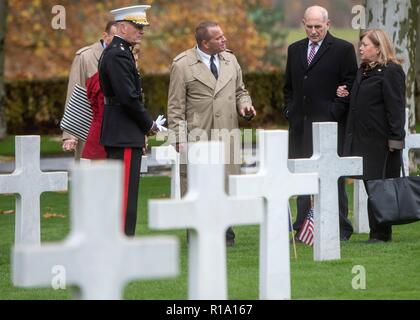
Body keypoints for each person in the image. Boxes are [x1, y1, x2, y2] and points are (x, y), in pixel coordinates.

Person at [167, 21, 256, 246]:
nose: (224, 40)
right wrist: (177, 138)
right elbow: (175, 106)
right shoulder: (182, 64)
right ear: (205, 43)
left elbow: (240, 91)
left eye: (224, 36)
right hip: (198, 137)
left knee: (225, 184)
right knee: (197, 186)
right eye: (219, 38)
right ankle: (197, 233)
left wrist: (245, 105)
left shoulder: (231, 59)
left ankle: (226, 233)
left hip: (227, 135)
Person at [282, 6, 358, 241]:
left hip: (329, 126)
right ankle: (304, 228)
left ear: (328, 24)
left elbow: (350, 85)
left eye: (318, 26)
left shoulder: (343, 49)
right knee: (303, 178)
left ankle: (340, 227)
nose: (313, 31)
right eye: (309, 26)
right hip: (300, 126)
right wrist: (289, 111)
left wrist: (333, 112)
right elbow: (289, 87)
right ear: (303, 23)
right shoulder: (294, 49)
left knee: (331, 177)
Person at [99, 5, 166, 236]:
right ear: (123, 27)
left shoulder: (120, 50)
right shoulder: (118, 53)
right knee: (125, 194)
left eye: (143, 27)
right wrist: (149, 124)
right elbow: (128, 97)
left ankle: (119, 239)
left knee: (123, 192)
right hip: (124, 132)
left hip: (122, 130)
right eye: (138, 26)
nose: (142, 31)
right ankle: (121, 242)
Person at [338, 29, 406, 243]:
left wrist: (396, 139)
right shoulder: (364, 71)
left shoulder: (391, 71)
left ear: (378, 48)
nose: (360, 48)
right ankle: (377, 232)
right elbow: (362, 103)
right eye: (361, 45)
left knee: (380, 188)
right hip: (362, 139)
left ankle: (381, 234)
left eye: (365, 45)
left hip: (382, 142)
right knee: (371, 185)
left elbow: (396, 108)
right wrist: (346, 95)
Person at [62, 21, 117, 160]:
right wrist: (70, 135)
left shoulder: (128, 56)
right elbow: (74, 94)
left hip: (118, 129)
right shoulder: (85, 57)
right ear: (105, 36)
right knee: (89, 174)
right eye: (114, 37)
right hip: (89, 125)